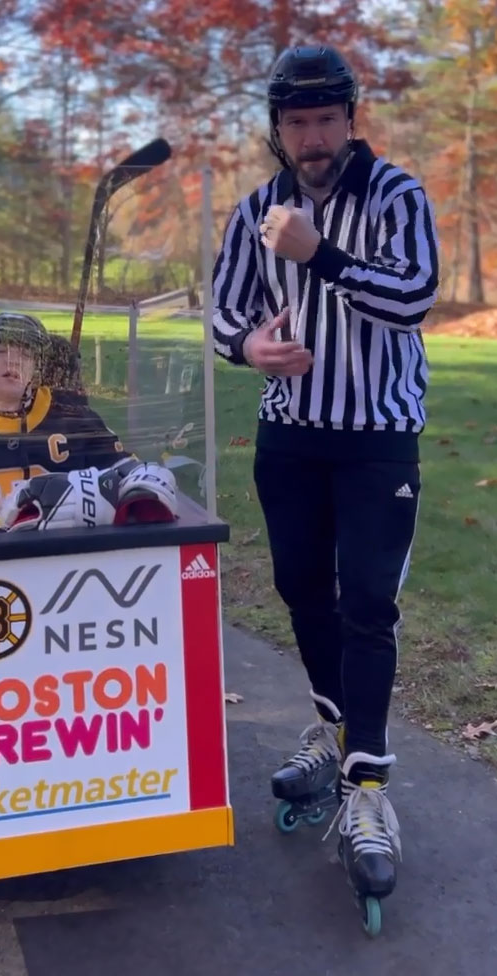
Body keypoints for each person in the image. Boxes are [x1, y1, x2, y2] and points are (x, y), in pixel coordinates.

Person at [212, 44, 440, 908]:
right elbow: (224, 308)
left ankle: (370, 791)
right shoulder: (256, 207)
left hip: (377, 437)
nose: (311, 136)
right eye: (296, 121)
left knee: (368, 605)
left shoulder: (396, 196)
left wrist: (320, 256)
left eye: (325, 119)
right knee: (303, 591)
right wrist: (249, 349)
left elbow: (413, 298)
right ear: (278, 128)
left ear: (351, 119)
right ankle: (333, 730)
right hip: (291, 437)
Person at [0, 312, 177, 531]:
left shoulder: (73, 416)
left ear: (37, 367)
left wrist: (143, 482)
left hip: (68, 548)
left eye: (24, 353)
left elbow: (123, 469)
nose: (12, 360)